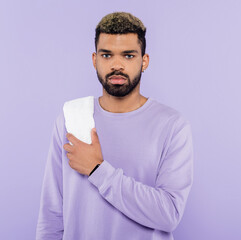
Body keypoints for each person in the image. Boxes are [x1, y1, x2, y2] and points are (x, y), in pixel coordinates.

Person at [36, 12, 194, 240]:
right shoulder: (72, 117)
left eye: (128, 56)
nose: (117, 65)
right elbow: (51, 215)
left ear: (144, 61)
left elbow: (169, 214)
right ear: (95, 60)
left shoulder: (172, 126)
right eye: (107, 55)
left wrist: (98, 170)